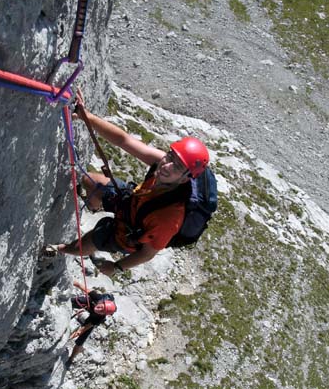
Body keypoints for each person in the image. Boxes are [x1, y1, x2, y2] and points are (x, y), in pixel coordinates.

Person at [44, 89, 210, 277]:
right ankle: (93, 206)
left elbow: (147, 253)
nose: (167, 166)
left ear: (187, 178)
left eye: (177, 167)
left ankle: (59, 249)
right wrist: (86, 116)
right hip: (132, 201)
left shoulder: (169, 218)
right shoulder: (164, 163)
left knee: (86, 243)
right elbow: (124, 141)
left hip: (129, 233)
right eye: (170, 156)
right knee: (90, 180)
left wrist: (117, 267)